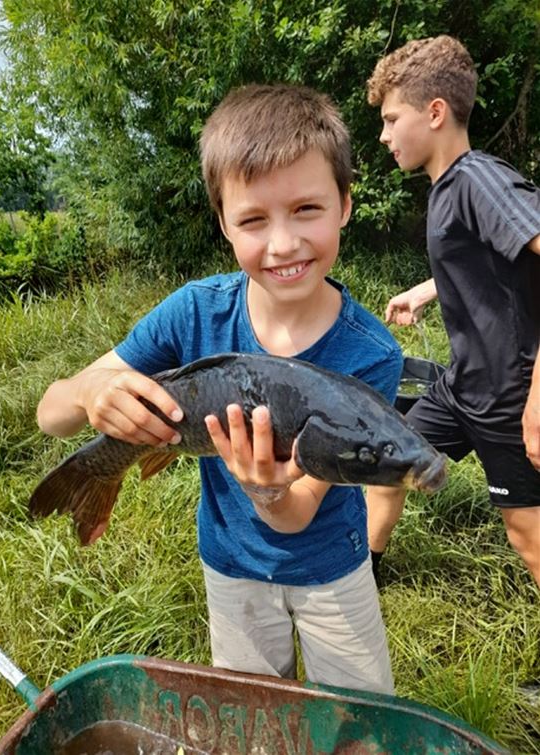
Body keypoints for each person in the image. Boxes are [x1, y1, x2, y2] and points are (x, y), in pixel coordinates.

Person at [36, 84, 404, 694]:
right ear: (225, 225)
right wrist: (91, 390)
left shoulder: (370, 356)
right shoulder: (192, 315)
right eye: (254, 220)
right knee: (251, 714)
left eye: (306, 209)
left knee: (358, 716)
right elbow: (53, 416)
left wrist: (269, 493)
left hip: (333, 567)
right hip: (230, 569)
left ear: (344, 204)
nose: (283, 243)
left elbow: (299, 510)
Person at [365, 35, 540, 588]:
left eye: (393, 119)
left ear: (435, 112)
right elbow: (489, 259)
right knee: (392, 458)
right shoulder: (446, 189)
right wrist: (426, 289)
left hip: (509, 394)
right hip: (462, 385)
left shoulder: (478, 179)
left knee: (528, 535)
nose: (384, 134)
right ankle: (362, 576)